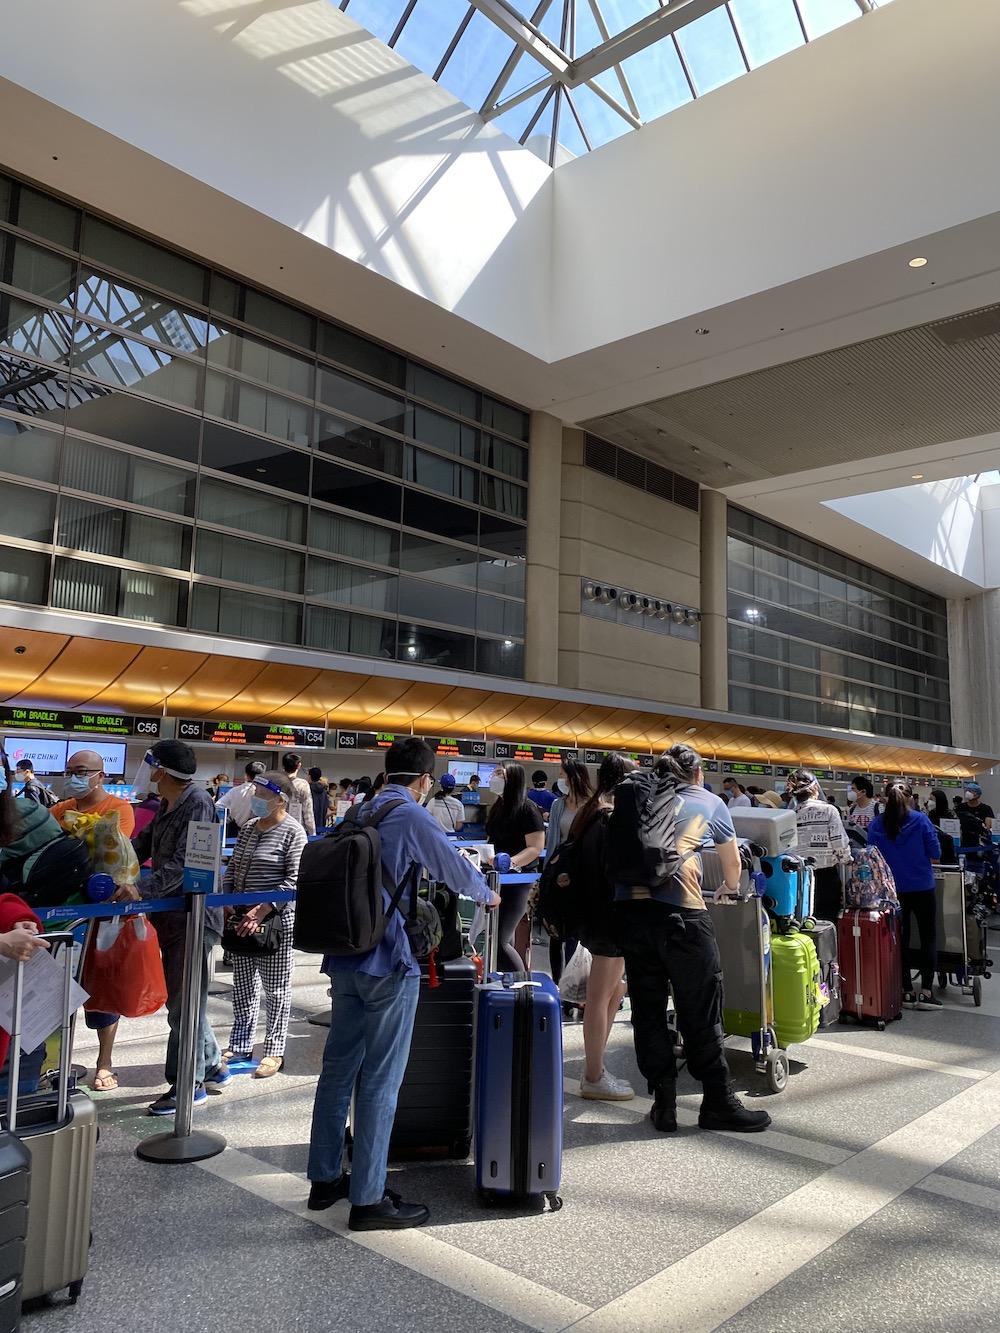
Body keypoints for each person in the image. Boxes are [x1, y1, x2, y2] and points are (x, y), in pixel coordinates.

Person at [306, 738, 500, 1231]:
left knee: (338, 1071)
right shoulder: (410, 813)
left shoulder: (360, 809)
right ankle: (368, 1198)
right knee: (381, 1081)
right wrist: (488, 896)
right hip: (388, 961)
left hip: (344, 956)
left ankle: (325, 1178)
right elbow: (453, 869)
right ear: (424, 779)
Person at [613, 744, 771, 1134]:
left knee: (648, 1010)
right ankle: (718, 1101)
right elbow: (732, 864)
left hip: (632, 916)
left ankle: (663, 1103)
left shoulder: (640, 796)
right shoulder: (708, 802)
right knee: (700, 1007)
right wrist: (729, 888)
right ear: (697, 773)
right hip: (682, 916)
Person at [125, 740, 231, 1116]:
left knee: (183, 1005)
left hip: (194, 919)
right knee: (186, 1000)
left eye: (151, 764)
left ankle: (188, 1084)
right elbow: (144, 844)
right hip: (173, 917)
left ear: (162, 771)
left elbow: (190, 863)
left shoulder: (198, 803)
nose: (147, 770)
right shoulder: (170, 804)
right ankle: (214, 1065)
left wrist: (141, 888)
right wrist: (111, 855)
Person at [51, 750, 137, 1093]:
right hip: (64, 913)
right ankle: (57, 1061)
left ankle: (105, 1062)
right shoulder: (59, 809)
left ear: (100, 775)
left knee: (102, 990)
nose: (74, 776)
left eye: (81, 771)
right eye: (70, 770)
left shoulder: (119, 809)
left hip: (102, 915)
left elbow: (115, 856)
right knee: (58, 990)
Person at [222, 771, 306, 1078]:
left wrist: (263, 910)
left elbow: (295, 878)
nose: (255, 800)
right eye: (253, 793)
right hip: (240, 919)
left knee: (276, 990)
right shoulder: (248, 828)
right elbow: (233, 868)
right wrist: (226, 900)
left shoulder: (293, 832)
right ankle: (241, 1043)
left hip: (274, 923)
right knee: (243, 986)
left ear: (280, 799)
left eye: (261, 795)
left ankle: (274, 1050)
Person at [568, 754, 636, 1102]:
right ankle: (593, 1075)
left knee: (614, 991)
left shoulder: (590, 811)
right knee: (599, 995)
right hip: (609, 913)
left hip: (595, 912)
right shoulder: (610, 816)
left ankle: (597, 1068)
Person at [868, 782, 942, 1010]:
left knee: (900, 938)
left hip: (892, 891)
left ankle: (906, 990)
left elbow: (872, 857)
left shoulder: (877, 824)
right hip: (922, 886)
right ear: (910, 798)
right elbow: (936, 853)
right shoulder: (920, 820)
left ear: (884, 799)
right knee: (928, 937)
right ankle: (927, 992)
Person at [485, 763, 545, 970]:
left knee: (500, 940)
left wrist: (510, 862)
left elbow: (535, 848)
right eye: (495, 773)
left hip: (518, 880)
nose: (494, 777)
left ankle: (522, 987)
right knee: (501, 937)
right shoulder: (498, 807)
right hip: (498, 879)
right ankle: (507, 985)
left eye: (500, 774)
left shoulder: (527, 809)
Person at [544, 757, 593, 982]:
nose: (560, 779)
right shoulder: (557, 805)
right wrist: (546, 875)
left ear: (574, 777)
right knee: (556, 932)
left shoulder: (592, 804)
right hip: (557, 871)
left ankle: (572, 985)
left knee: (575, 932)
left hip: (581, 874)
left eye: (563, 774)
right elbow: (552, 840)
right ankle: (557, 981)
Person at [788, 768, 850, 921]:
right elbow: (839, 844)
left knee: (804, 918)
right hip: (826, 876)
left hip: (799, 877)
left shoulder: (789, 815)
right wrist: (847, 859)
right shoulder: (829, 810)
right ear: (815, 787)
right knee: (827, 920)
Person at [216, 760, 266, 831]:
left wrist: (229, 817)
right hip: (255, 830)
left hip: (235, 828)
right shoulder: (265, 793)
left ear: (246, 775)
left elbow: (218, 805)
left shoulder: (234, 790)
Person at [281, 753, 316, 835]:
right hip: (297, 829)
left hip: (277, 827)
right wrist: (312, 833)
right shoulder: (302, 784)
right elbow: (308, 811)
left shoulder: (276, 782)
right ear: (299, 765)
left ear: (283, 765)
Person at [926, 789, 958, 863]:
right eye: (929, 799)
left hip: (948, 849)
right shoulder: (930, 814)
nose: (929, 802)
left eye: (932, 799)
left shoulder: (951, 815)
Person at [308, 767, 329, 832]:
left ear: (309, 776)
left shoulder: (307, 789)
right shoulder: (324, 791)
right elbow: (326, 807)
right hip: (321, 824)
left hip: (309, 824)